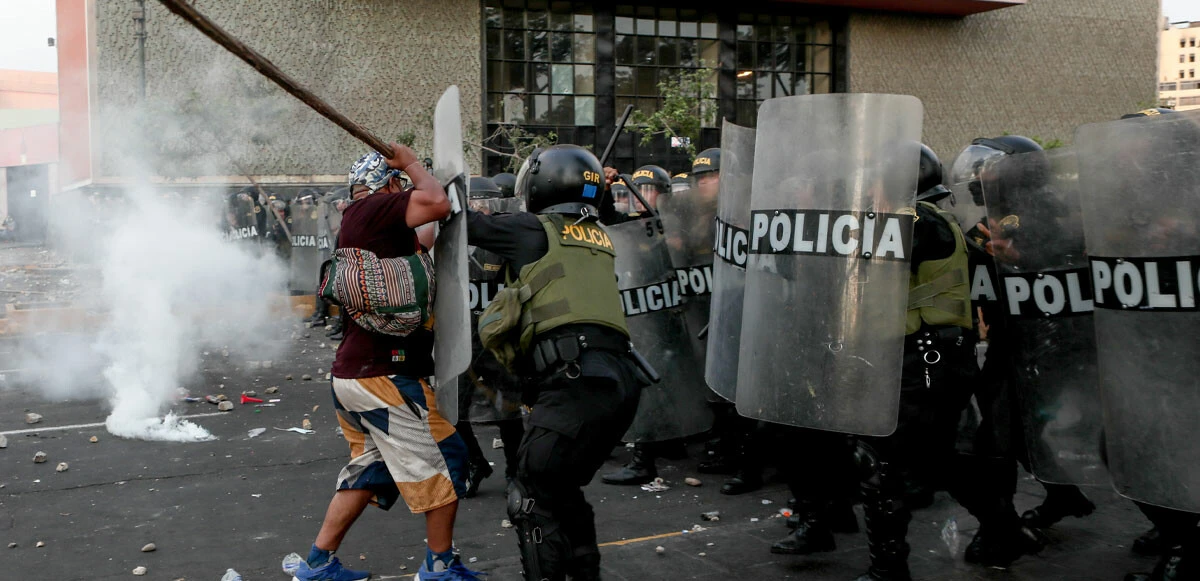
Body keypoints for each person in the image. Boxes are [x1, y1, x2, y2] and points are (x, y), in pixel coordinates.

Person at [290, 143, 482, 581]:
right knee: (448, 457)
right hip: (384, 376)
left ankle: (317, 564)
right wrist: (413, 164)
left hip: (355, 377)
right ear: (390, 185)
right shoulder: (374, 209)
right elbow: (434, 202)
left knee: (371, 471)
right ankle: (439, 568)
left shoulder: (367, 222)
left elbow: (427, 232)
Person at [467, 144, 648, 581]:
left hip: (576, 381)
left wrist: (426, 181)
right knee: (561, 488)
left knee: (530, 493)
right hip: (620, 383)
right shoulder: (600, 234)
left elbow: (465, 223)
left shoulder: (534, 230)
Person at [947, 136, 1089, 567]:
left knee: (1000, 434)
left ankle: (999, 532)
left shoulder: (1048, 213)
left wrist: (1019, 258)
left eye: (989, 171)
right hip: (1010, 341)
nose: (979, 180)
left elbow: (1066, 267)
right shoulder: (991, 218)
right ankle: (1059, 497)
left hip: (1048, 342)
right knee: (1012, 432)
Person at [456, 176, 526, 497]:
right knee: (451, 410)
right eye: (473, 203)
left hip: (498, 338)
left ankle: (515, 471)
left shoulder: (504, 240)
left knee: (508, 411)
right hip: (461, 339)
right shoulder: (451, 241)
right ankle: (474, 462)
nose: (478, 209)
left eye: (484, 203)